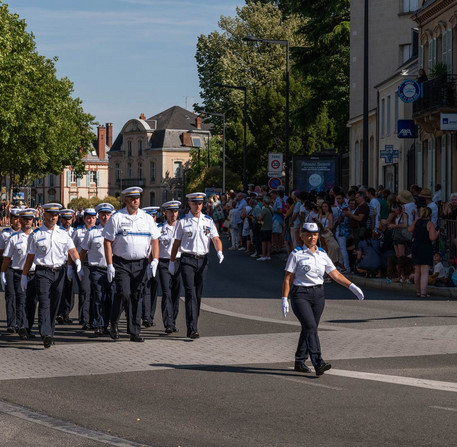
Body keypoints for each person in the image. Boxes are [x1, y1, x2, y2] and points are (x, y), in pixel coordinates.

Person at [281, 222, 364, 376]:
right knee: (311, 327)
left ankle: (300, 361)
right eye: (308, 235)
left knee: (309, 328)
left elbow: (335, 274)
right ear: (302, 236)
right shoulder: (296, 254)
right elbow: (288, 278)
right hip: (301, 294)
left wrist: (351, 286)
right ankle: (318, 362)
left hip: (318, 294)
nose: (312, 237)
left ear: (318, 236)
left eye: (315, 234)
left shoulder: (322, 254)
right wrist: (284, 298)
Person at [103, 187, 160, 342]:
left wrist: (155, 260)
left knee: (136, 296)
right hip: (121, 262)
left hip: (140, 263)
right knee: (123, 293)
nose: (136, 200)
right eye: (132, 198)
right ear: (126, 200)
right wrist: (109, 264)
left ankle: (134, 330)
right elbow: (107, 242)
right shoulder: (117, 217)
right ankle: (113, 323)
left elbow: (154, 240)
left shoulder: (146, 218)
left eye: (138, 198)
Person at [21, 203, 81, 348]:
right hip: (42, 272)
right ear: (44, 215)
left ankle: (50, 333)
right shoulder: (36, 235)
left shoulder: (63, 233)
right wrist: (24, 274)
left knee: (54, 304)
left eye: (55, 215)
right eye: (50, 215)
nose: (53, 217)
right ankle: (45, 333)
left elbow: (71, 249)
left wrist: (77, 260)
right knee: (44, 302)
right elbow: (30, 257)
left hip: (59, 272)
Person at [169, 192, 224, 339]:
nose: (198, 206)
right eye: (195, 203)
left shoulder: (208, 221)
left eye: (200, 203)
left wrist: (219, 251)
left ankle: (194, 322)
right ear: (190, 204)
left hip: (203, 260)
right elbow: (176, 244)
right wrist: (172, 261)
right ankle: (192, 328)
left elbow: (216, 238)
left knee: (198, 294)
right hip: (187, 259)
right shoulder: (182, 222)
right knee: (190, 292)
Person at [0, 208, 37, 339]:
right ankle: (18, 325)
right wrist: (2, 273)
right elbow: (6, 256)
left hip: (33, 273)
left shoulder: (38, 235)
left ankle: (28, 327)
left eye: (30, 219)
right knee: (17, 298)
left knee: (31, 302)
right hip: (16, 271)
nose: (28, 221)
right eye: (25, 219)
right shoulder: (12, 237)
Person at [79, 203, 115, 336]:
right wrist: (80, 266)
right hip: (97, 269)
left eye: (108, 214)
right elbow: (83, 250)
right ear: (98, 216)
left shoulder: (116, 232)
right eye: (103, 215)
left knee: (111, 297)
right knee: (99, 297)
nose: (105, 217)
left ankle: (109, 323)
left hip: (112, 269)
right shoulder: (92, 233)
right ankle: (99, 324)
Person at [157, 200, 182, 333]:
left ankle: (173, 319)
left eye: (176, 211)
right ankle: (168, 323)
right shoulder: (160, 228)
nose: (173, 214)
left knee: (176, 293)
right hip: (164, 263)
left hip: (178, 262)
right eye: (171, 211)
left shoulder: (182, 227)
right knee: (166, 292)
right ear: (165, 213)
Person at [72, 208, 97, 330]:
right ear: (84, 219)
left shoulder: (99, 231)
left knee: (94, 292)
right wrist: (71, 267)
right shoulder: (78, 231)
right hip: (83, 263)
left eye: (93, 218)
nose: (91, 220)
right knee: (84, 290)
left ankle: (94, 319)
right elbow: (71, 249)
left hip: (95, 263)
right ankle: (84, 319)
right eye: (88, 218)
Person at [408, 206, 440, 298]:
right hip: (425, 247)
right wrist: (437, 233)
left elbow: (410, 229)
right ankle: (423, 292)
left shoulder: (417, 221)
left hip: (416, 246)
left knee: (417, 270)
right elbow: (432, 238)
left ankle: (418, 291)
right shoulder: (430, 224)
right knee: (425, 271)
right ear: (430, 215)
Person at [0, 208, 21, 332]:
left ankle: (20, 323)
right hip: (8, 266)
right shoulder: (5, 233)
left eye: (20, 219)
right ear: (10, 220)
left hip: (21, 266)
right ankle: (11, 324)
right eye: (15, 219)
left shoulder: (27, 234)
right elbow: (1, 252)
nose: (18, 221)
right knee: (10, 294)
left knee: (21, 295)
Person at [56, 209, 76, 324]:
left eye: (69, 219)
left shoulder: (75, 232)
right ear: (61, 219)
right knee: (59, 289)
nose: (67, 221)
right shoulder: (58, 231)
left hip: (71, 264)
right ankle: (58, 312)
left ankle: (66, 313)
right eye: (65, 219)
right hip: (60, 262)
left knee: (69, 289)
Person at [257, 196, 273, 261]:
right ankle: (268, 255)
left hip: (264, 227)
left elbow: (260, 218)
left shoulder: (264, 209)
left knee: (263, 242)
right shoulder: (270, 209)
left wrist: (257, 218)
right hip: (270, 227)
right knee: (269, 242)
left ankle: (264, 255)